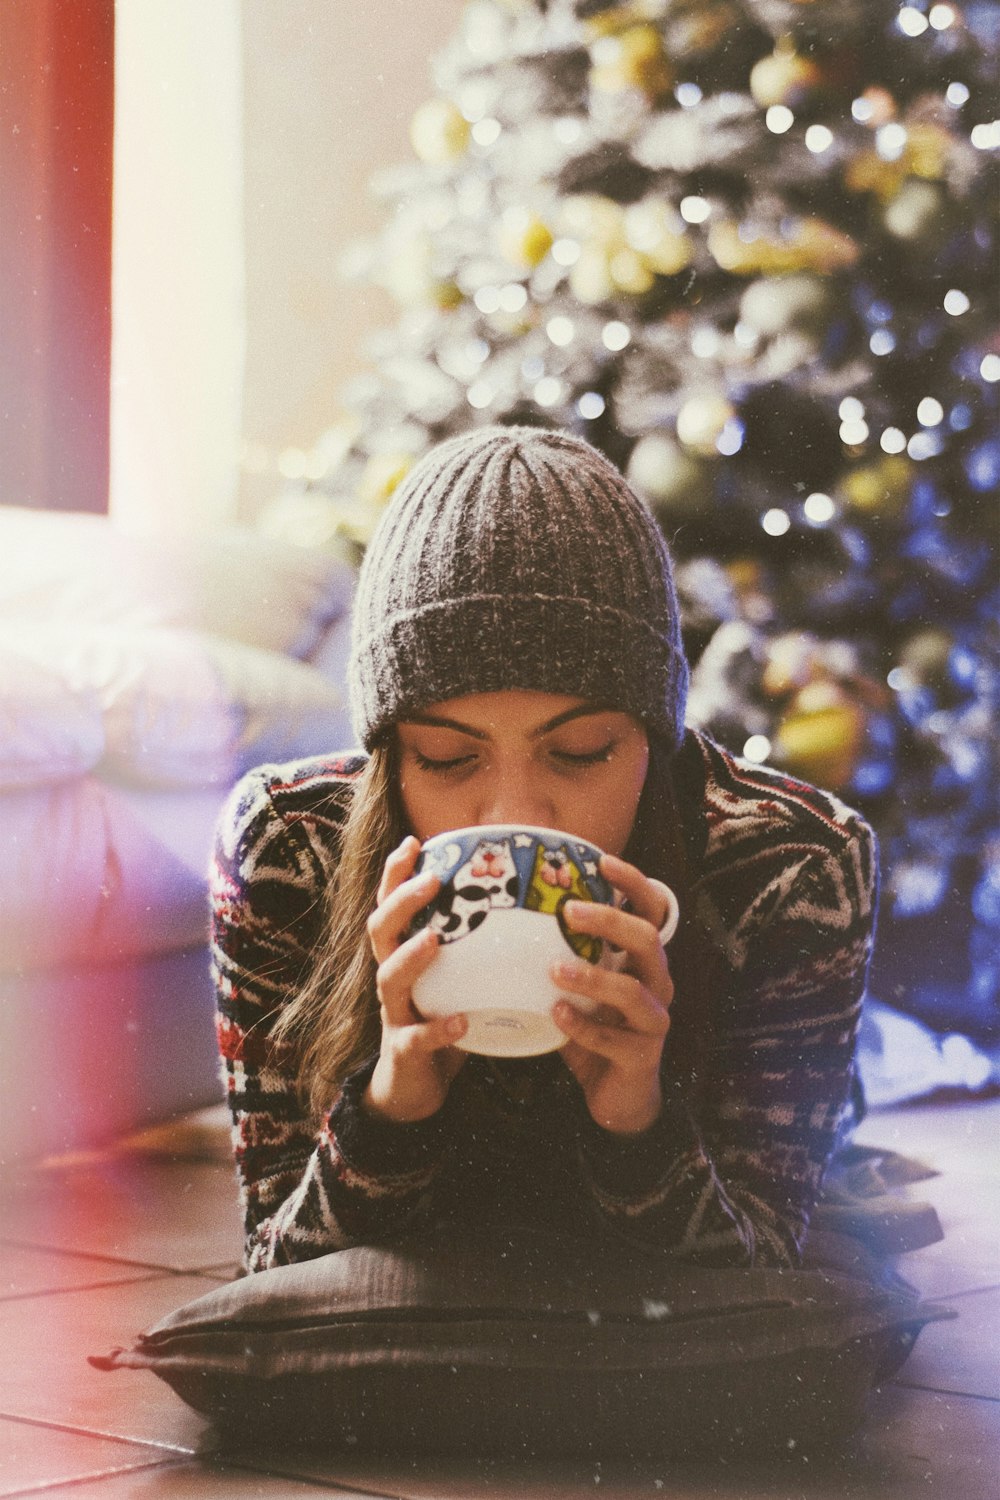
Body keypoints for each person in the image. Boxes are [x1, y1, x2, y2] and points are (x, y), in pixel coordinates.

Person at [211, 425, 878, 1276]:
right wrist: (387, 1110)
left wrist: (639, 1122)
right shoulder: (289, 845)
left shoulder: (797, 865)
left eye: (583, 750)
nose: (519, 811)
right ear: (387, 755)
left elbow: (758, 1272)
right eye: (448, 759)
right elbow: (273, 1266)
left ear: (653, 737)